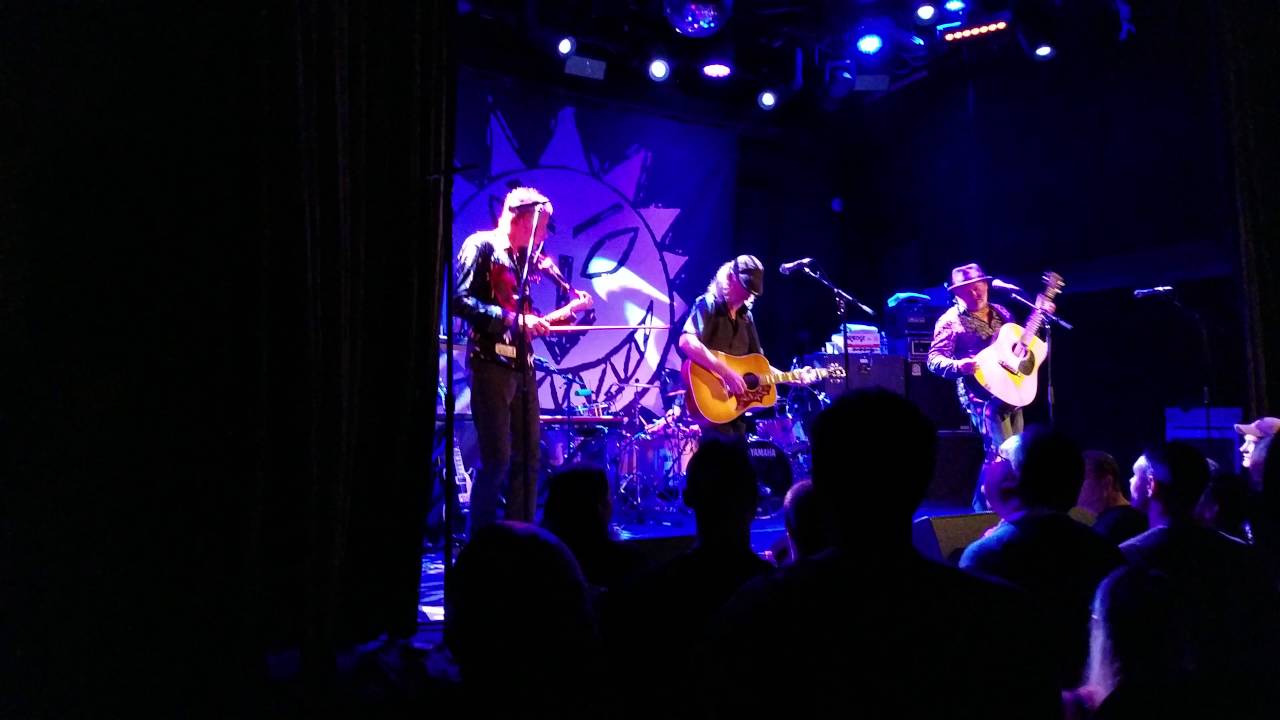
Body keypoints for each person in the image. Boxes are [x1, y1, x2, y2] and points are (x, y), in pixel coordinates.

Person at [452, 187, 593, 528]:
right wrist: (513, 319)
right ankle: (483, 544)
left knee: (528, 459)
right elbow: (461, 301)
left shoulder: (521, 262)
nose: (544, 235)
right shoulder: (482, 245)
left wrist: (572, 310)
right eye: (540, 226)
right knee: (497, 459)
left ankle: (522, 538)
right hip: (490, 364)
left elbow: (530, 321)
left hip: (523, 367)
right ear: (519, 219)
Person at [928, 262, 1049, 510]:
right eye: (968, 289)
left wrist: (1039, 318)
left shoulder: (1003, 313)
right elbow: (933, 359)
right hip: (979, 395)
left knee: (1017, 450)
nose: (976, 292)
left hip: (1012, 388)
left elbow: (1018, 347)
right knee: (1000, 452)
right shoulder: (950, 321)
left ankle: (1000, 506)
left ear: (986, 284)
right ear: (957, 293)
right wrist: (958, 365)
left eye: (979, 285)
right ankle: (986, 510)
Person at [678, 255, 766, 439]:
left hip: (736, 412)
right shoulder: (708, 304)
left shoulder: (746, 317)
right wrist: (726, 373)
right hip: (712, 406)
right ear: (731, 277)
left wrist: (793, 378)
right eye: (746, 287)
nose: (749, 294)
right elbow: (687, 341)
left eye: (753, 290)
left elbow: (759, 366)